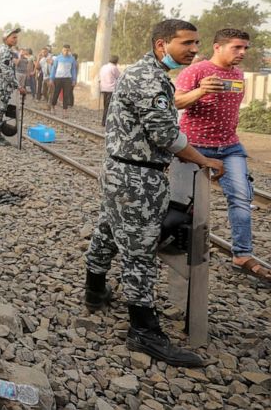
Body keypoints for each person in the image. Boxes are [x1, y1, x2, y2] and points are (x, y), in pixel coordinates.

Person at [85, 19, 224, 367]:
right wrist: (202, 158)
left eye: (196, 43)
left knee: (108, 231)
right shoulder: (149, 76)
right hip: (136, 177)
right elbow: (165, 134)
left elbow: (161, 111)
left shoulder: (149, 74)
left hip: (122, 170)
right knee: (140, 252)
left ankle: (95, 289)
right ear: (162, 44)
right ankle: (143, 330)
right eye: (186, 43)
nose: (194, 49)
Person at [174, 29, 268, 281]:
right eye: (237, 47)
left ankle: (242, 253)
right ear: (218, 47)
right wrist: (201, 91)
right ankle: (172, 243)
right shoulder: (196, 71)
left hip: (229, 147)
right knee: (181, 203)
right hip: (193, 146)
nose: (242, 53)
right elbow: (175, 102)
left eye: (245, 48)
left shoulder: (238, 75)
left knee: (241, 196)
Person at [0, 28, 25, 146]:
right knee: (0, 109)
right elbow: (7, 71)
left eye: (16, 37)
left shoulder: (0, 48)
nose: (16, 39)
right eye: (13, 37)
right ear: (6, 38)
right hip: (3, 84)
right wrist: (18, 86)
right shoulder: (5, 51)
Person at [49, 44, 78, 115]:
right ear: (62, 50)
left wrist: (74, 80)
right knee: (56, 93)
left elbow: (73, 70)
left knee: (66, 95)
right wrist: (51, 79)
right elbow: (54, 69)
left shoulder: (72, 59)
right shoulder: (58, 58)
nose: (66, 52)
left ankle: (65, 111)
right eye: (65, 50)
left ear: (69, 50)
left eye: (67, 50)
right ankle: (53, 106)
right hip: (58, 78)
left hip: (67, 79)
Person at [99, 55, 120, 126]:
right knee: (110, 107)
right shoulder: (114, 68)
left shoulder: (104, 67)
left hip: (103, 88)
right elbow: (119, 77)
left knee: (106, 106)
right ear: (116, 61)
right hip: (111, 89)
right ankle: (105, 122)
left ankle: (105, 122)